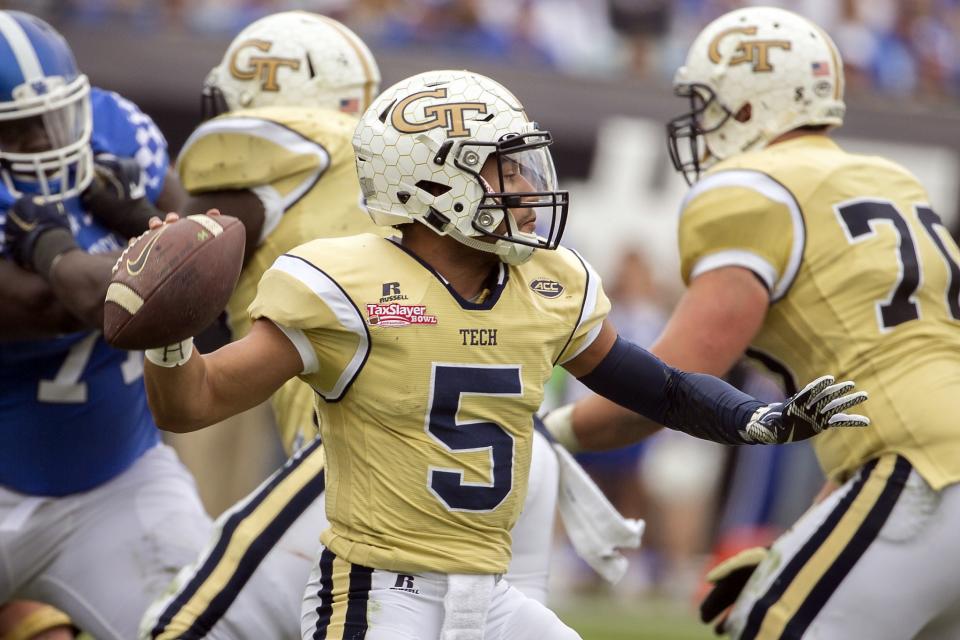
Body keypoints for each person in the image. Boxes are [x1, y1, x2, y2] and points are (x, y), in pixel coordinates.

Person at [142, 68, 866, 640]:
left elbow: (661, 387)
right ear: (432, 182)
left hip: (488, 597)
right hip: (377, 594)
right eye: (504, 169)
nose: (527, 186)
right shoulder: (341, 280)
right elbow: (195, 402)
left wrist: (755, 418)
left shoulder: (549, 281)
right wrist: (167, 337)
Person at [138, 13, 629, 640]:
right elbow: (651, 380)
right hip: (506, 449)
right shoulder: (427, 182)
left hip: (383, 460)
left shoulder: (306, 193)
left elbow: (179, 254)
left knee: (185, 627)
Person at [543, 6, 960, 639]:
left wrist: (546, 431)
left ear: (749, 105)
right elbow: (877, 392)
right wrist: (808, 534)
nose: (700, 124)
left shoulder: (752, 188)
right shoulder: (890, 180)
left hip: (920, 471)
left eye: (710, 104)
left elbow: (666, 387)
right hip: (921, 461)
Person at [0, 10, 211, 640]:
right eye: (20, 129)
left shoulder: (120, 130)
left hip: (116, 479)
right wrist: (74, 251)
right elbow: (44, 308)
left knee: (206, 626)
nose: (44, 141)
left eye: (55, 117)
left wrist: (141, 215)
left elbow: (197, 256)